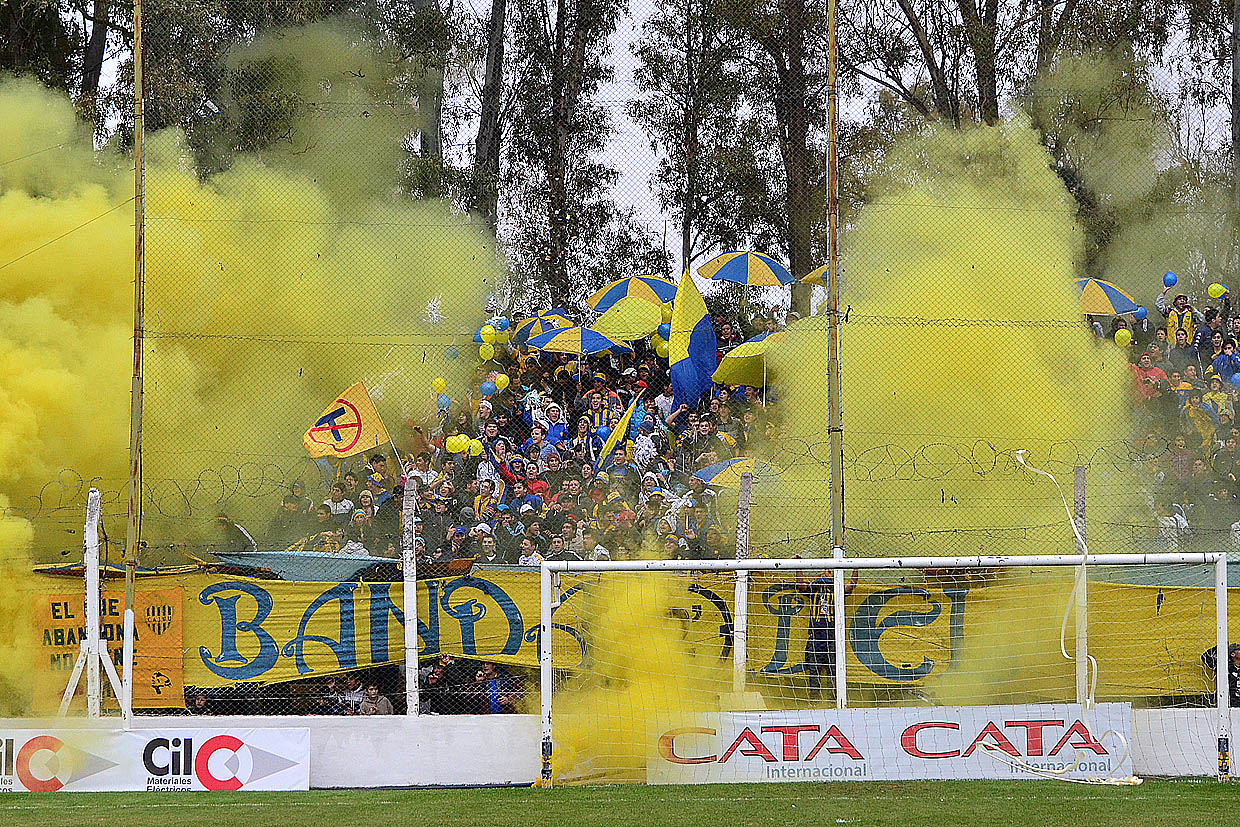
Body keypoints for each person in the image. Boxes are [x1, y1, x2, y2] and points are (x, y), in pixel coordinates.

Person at [796, 568, 859, 693]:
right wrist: (798, 567)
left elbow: (851, 586)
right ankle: (814, 698)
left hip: (832, 637)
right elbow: (801, 585)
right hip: (815, 637)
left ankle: (835, 699)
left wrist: (855, 568)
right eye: (822, 582)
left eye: (827, 582)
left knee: (834, 670)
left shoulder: (837, 592)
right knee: (814, 669)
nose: (824, 584)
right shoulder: (813, 591)